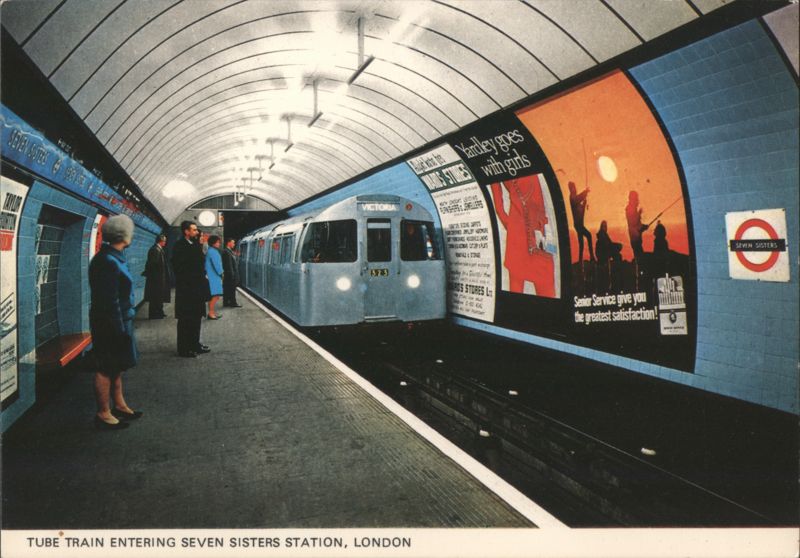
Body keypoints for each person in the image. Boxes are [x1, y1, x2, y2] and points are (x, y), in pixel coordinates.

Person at [89, 214, 142, 430]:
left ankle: (119, 405)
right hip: (109, 323)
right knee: (106, 366)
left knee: (117, 366)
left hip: (119, 320)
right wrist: (119, 330)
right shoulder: (107, 262)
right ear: (124, 235)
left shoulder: (113, 257)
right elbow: (109, 301)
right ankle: (103, 412)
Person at [491, 175, 555, 297]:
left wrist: (510, 225)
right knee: (520, 286)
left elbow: (499, 208)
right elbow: (499, 208)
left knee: (545, 286)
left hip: (538, 229)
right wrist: (510, 226)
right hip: (524, 229)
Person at [171, 220, 210, 358]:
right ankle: (184, 349)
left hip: (196, 290)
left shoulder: (193, 245)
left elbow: (199, 264)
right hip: (187, 291)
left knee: (196, 318)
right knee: (185, 320)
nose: (196, 232)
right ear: (186, 231)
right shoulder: (180, 246)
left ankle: (195, 344)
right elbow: (181, 268)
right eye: (194, 230)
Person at [143, 234, 170, 319]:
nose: (165, 242)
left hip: (159, 277)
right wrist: (156, 278)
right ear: (161, 241)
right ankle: (154, 314)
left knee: (159, 296)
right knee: (155, 297)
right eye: (164, 241)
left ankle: (159, 312)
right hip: (156, 278)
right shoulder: (155, 250)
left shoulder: (158, 249)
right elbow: (153, 265)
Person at [568, 181, 594, 263]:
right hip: (578, 224)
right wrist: (585, 192)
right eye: (572, 187)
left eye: (574, 187)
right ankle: (591, 257)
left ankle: (581, 260)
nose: (574, 189)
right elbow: (577, 199)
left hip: (579, 224)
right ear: (570, 189)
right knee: (588, 236)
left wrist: (584, 204)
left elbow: (581, 211)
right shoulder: (572, 197)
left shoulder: (574, 198)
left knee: (581, 243)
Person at [625, 190, 649, 261]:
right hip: (635, 238)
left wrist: (643, 227)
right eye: (636, 198)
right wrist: (639, 213)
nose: (637, 200)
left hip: (636, 237)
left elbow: (637, 224)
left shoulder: (632, 209)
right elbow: (633, 222)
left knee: (639, 256)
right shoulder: (630, 209)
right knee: (639, 257)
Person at [205, 235, 224, 319]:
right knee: (215, 296)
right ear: (213, 243)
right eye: (217, 242)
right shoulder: (213, 252)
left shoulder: (210, 251)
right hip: (214, 276)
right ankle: (211, 314)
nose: (219, 244)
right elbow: (217, 265)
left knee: (213, 296)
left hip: (211, 275)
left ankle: (212, 312)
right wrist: (222, 273)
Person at [221, 238, 241, 307]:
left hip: (229, 274)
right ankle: (233, 303)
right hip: (230, 275)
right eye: (233, 243)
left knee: (227, 289)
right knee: (231, 289)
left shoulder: (228, 251)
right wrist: (232, 275)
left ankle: (226, 302)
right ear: (228, 243)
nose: (234, 244)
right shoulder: (226, 252)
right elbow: (229, 265)